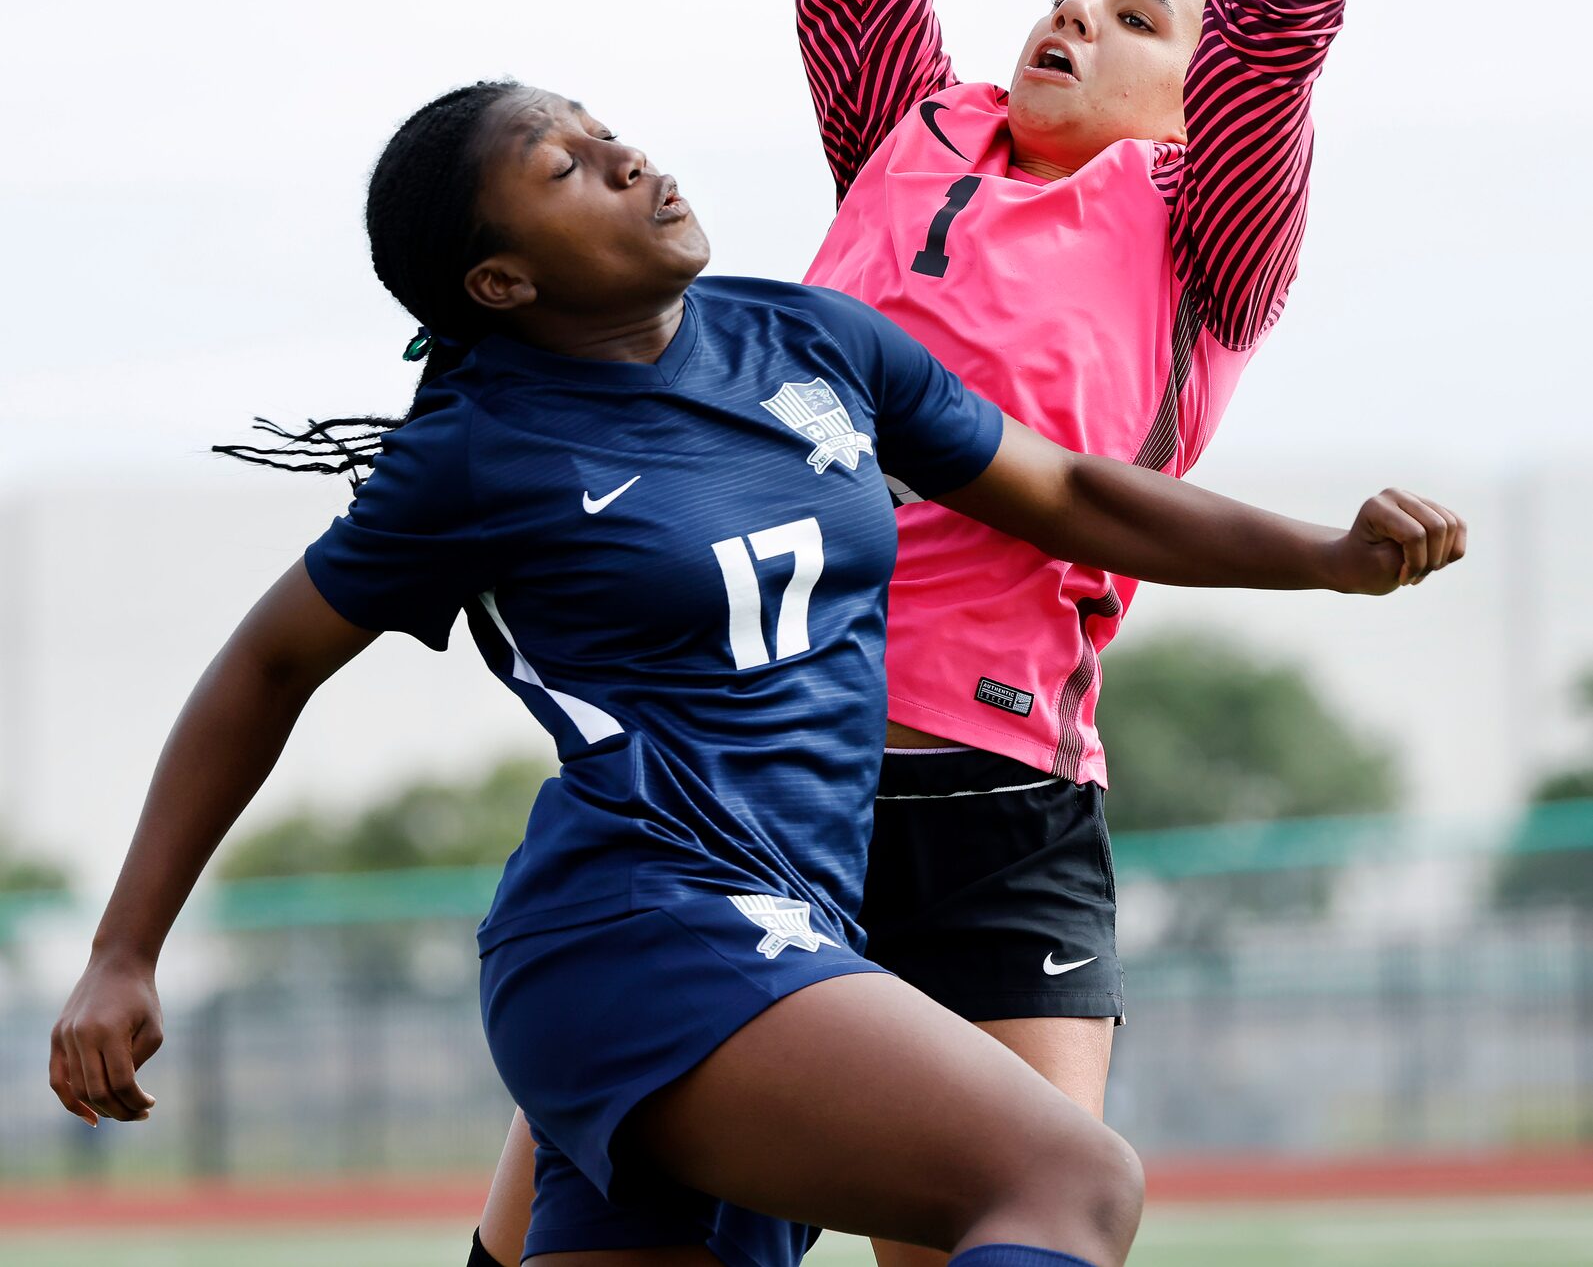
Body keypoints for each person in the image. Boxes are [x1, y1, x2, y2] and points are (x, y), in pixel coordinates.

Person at [471, 0, 1401, 1267]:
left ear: (1191, 95)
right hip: (745, 768)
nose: (1075, 9)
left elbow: (1282, 21)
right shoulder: (910, 124)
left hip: (999, 821)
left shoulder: (1203, 236)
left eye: (1134, 11)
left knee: (1030, 1217)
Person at [50, 81, 1461, 1267]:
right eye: (567, 167)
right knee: (1069, 1180)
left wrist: (1326, 556)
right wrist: (124, 946)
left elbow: (1070, 495)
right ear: (501, 281)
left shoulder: (808, 337)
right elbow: (265, 663)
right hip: (641, 932)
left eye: (608, 131)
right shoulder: (480, 449)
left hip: (782, 930)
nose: (626, 156)